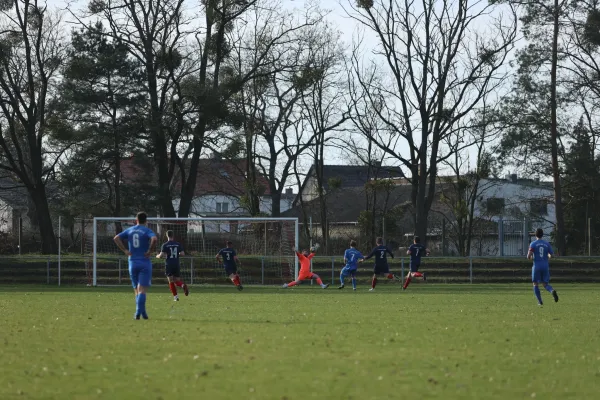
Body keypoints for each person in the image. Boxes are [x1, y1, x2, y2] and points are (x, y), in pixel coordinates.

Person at [113, 212, 157, 320]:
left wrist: (125, 250)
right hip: (144, 262)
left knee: (136, 289)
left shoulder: (130, 230)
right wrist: (150, 250)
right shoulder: (147, 230)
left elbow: (116, 238)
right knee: (142, 289)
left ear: (136, 220)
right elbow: (154, 239)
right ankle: (138, 311)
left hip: (132, 262)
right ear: (146, 221)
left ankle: (142, 312)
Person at [528, 228, 559, 306]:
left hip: (536, 266)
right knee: (545, 284)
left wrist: (532, 258)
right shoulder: (547, 244)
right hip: (545, 266)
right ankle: (552, 291)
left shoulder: (533, 244)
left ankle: (540, 301)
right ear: (542, 235)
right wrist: (547, 256)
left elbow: (528, 256)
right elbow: (552, 255)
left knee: (535, 284)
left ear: (535, 235)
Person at [156, 230, 189, 301]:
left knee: (171, 281)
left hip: (169, 264)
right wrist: (177, 254)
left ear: (167, 236)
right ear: (173, 236)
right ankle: (183, 285)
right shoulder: (178, 244)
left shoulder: (165, 245)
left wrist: (157, 256)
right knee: (177, 281)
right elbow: (183, 254)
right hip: (176, 264)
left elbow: (161, 256)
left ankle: (176, 297)